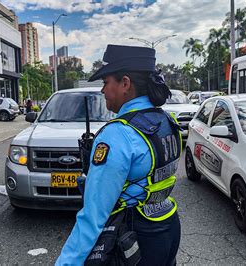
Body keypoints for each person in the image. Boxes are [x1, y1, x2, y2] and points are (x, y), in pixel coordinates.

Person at [56, 44, 182, 266]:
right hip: (167, 228)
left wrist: (65, 263)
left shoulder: (117, 134)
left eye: (105, 83)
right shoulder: (165, 121)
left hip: (133, 240)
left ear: (125, 83)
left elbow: (94, 216)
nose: (102, 90)